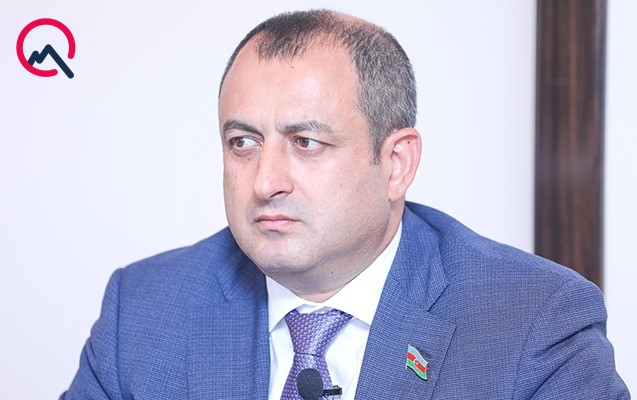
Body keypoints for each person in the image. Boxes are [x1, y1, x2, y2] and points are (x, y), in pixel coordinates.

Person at [61, 9, 630, 400]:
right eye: (243, 143)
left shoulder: (533, 323)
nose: (265, 182)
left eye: (306, 143)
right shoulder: (144, 311)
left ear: (396, 163)